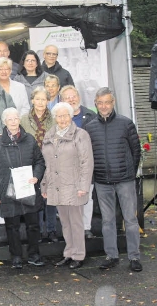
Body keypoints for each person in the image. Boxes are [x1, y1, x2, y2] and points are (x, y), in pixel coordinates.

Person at [84, 88, 143, 272]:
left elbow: (136, 151)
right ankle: (112, 255)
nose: (103, 106)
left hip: (125, 180)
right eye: (100, 102)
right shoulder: (90, 127)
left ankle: (134, 257)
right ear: (95, 103)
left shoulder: (126, 123)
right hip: (102, 182)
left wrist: (130, 174)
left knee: (130, 220)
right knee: (107, 220)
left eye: (107, 102)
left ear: (113, 102)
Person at [41, 103, 94, 269]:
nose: (62, 119)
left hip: (74, 186)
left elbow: (87, 162)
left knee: (76, 222)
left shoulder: (80, 135)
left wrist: (83, 186)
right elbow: (47, 164)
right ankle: (69, 253)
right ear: (55, 117)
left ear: (71, 116)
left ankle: (79, 255)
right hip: (57, 186)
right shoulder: (49, 135)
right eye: (59, 116)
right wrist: (45, 186)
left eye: (65, 115)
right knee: (65, 222)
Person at [0, 107, 46, 269]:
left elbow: (40, 161)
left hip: (28, 188)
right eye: (10, 119)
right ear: (4, 122)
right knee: (12, 226)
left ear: (19, 120)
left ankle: (34, 254)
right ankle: (16, 256)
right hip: (7, 191)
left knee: (33, 224)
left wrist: (36, 177)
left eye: (16, 118)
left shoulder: (29, 139)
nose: (13, 122)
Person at [20, 86, 57, 242]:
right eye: (38, 99)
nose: (41, 102)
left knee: (50, 197)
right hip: (32, 163)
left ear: (48, 101)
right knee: (36, 198)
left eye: (44, 99)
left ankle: (51, 230)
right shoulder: (23, 119)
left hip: (51, 162)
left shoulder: (54, 119)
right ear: (32, 100)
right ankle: (39, 231)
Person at [60, 85, 96, 238]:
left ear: (79, 97)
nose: (71, 99)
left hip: (85, 165)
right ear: (62, 100)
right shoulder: (58, 117)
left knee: (86, 197)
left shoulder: (91, 115)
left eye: (73, 96)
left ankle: (86, 228)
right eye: (67, 97)